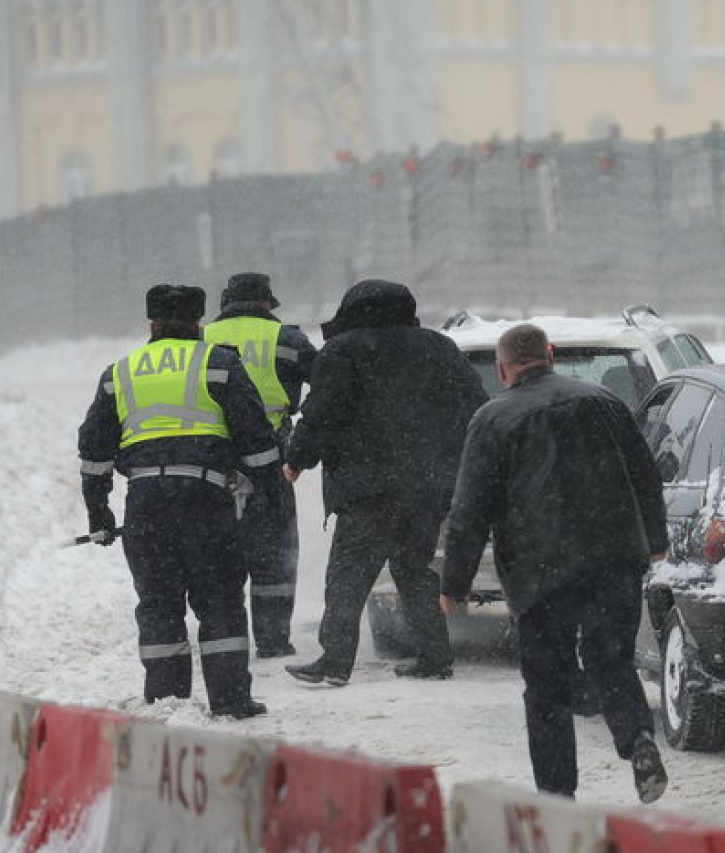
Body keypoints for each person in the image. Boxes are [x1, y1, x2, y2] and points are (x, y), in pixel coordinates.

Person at [438, 323, 671, 804]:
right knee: (612, 661)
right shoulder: (604, 401)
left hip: (540, 570)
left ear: (503, 370)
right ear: (549, 354)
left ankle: (557, 795)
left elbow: (469, 510)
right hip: (613, 557)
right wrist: (653, 539)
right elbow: (645, 475)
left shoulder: (493, 418)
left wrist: (454, 582)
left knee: (546, 687)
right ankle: (638, 740)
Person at [77, 284, 285, 719]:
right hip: (207, 501)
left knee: (158, 601)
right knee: (221, 600)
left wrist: (99, 511)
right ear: (199, 322)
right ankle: (230, 699)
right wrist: (268, 493)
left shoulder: (121, 372)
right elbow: (256, 441)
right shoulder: (220, 363)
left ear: (151, 323)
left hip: (146, 504)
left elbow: (94, 451)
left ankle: (167, 698)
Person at [282, 279, 487, 686]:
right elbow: (475, 408)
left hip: (368, 489)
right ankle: (434, 655)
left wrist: (297, 459)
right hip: (428, 488)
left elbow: (323, 412)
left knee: (348, 575)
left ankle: (334, 662)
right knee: (415, 571)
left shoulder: (344, 351)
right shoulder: (439, 348)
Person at [203, 272, 317, 658]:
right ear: (268, 302)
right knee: (274, 554)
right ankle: (272, 640)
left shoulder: (201, 339)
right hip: (271, 460)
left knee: (219, 552)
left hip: (212, 464)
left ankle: (223, 636)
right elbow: (330, 386)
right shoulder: (287, 339)